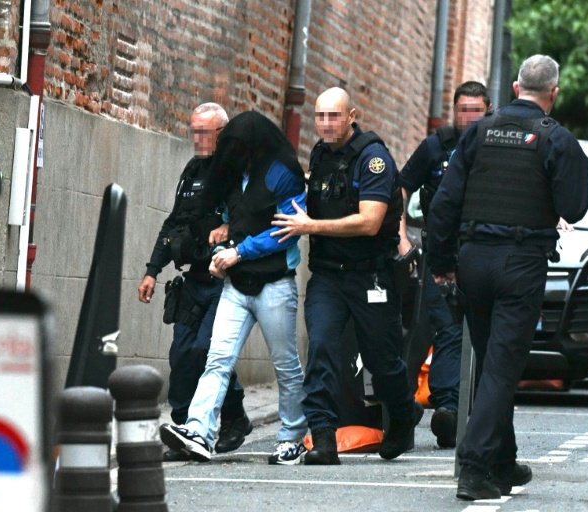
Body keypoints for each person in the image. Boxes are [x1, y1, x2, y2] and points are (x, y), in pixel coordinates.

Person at [426, 55, 588, 500]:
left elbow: (444, 204)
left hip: (473, 262)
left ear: (516, 88)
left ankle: (501, 460)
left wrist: (441, 264)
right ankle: (475, 467)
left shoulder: (479, 132)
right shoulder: (557, 139)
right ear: (553, 93)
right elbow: (575, 207)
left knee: (491, 363)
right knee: (501, 367)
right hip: (520, 264)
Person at [272, 87, 419, 465]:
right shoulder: (321, 154)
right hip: (328, 276)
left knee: (382, 361)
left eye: (333, 116)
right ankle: (324, 437)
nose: (325, 124)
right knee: (321, 348)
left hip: (371, 275)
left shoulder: (374, 160)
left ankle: (403, 415)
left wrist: (311, 227)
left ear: (352, 116)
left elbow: (370, 222)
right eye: (320, 116)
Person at [159, 111, 309, 465]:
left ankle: (292, 437)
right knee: (217, 359)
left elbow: (286, 230)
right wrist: (223, 237)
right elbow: (235, 215)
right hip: (237, 285)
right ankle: (199, 431)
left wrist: (238, 252)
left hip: (274, 284)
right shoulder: (234, 173)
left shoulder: (282, 172)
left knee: (285, 365)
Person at [138, 103, 250, 461]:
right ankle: (185, 428)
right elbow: (174, 223)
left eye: (204, 132)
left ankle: (232, 416)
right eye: (194, 131)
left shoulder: (236, 171)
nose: (197, 138)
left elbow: (254, 216)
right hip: (192, 280)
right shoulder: (192, 170)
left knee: (206, 351)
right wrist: (152, 270)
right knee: (182, 354)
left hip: (224, 281)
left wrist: (230, 227)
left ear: (222, 134)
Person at [397, 81, 491, 448]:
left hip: (481, 253)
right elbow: (401, 186)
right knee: (432, 329)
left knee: (466, 332)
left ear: (488, 110)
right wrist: (402, 237)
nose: (469, 117)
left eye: (476, 110)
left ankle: (457, 408)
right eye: (463, 110)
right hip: (438, 254)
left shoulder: (495, 143)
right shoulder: (436, 146)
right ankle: (423, 407)